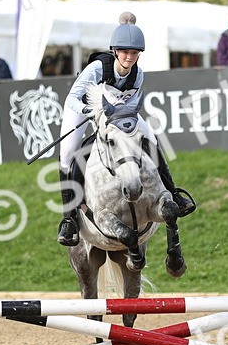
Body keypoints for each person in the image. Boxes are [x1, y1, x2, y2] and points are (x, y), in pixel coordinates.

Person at [56, 19, 196, 247]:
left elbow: (131, 104)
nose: (129, 57)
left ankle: (174, 193)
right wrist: (90, 112)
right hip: (84, 108)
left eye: (134, 52)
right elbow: (72, 98)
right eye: (124, 52)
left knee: (151, 138)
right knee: (67, 153)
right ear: (114, 51)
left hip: (117, 111)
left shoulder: (138, 74)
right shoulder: (97, 69)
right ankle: (69, 219)